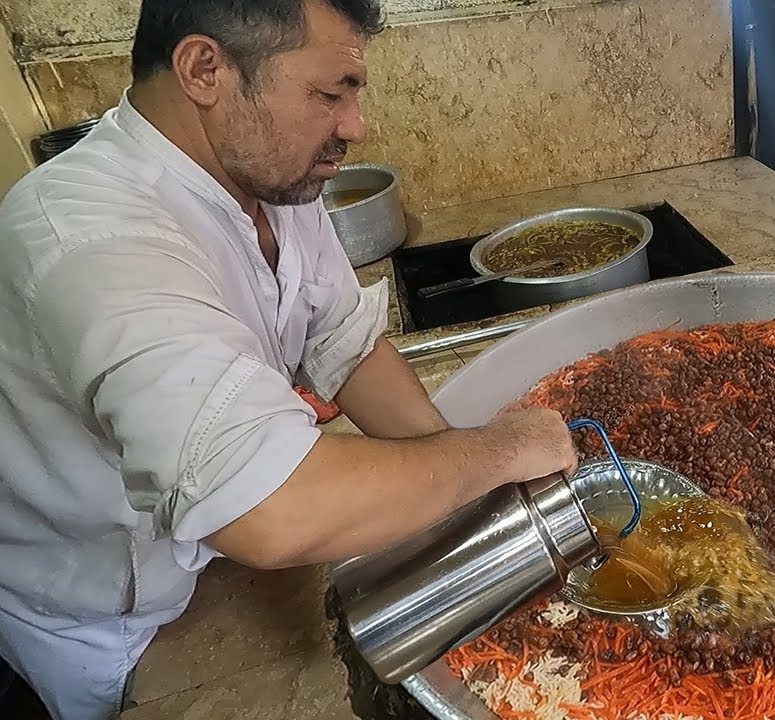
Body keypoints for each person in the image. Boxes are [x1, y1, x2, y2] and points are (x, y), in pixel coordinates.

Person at [0, 1, 579, 717]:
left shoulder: (268, 173)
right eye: (329, 93)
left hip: (210, 566)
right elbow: (271, 511)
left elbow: (345, 344)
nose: (354, 126)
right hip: (102, 627)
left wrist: (479, 505)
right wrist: (499, 451)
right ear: (204, 69)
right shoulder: (89, 241)